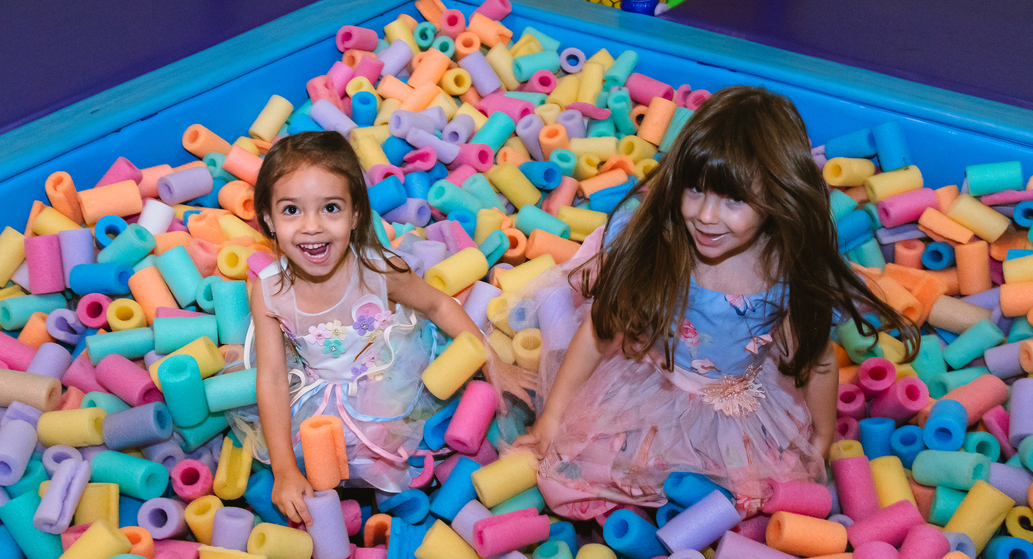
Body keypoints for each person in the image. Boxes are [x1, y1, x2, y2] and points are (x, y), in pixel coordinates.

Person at [515, 85, 918, 520]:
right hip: (649, 386)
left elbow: (816, 362)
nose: (706, 216)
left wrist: (821, 436)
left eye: (734, 199)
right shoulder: (658, 243)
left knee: (744, 506)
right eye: (695, 190)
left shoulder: (789, 274)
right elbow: (598, 331)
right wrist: (552, 417)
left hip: (736, 406)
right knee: (563, 479)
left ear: (776, 196)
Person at [245, 131, 533, 525]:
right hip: (318, 398)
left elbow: (437, 304)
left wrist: (493, 363)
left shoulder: (378, 269)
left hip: (392, 381)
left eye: (330, 208)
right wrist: (283, 470)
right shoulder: (269, 291)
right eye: (292, 210)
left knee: (406, 451)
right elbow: (273, 378)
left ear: (355, 215)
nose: (312, 227)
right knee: (319, 469)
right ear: (268, 219)